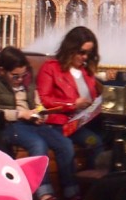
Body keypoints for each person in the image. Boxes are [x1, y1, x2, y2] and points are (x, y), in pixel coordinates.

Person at [0, 46, 78, 200]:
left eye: (23, 75)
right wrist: (20, 114)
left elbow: (38, 102)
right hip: (10, 125)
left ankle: (71, 194)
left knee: (65, 144)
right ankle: (45, 198)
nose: (19, 80)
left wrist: (39, 113)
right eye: (15, 76)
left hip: (32, 123)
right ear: (2, 71)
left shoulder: (28, 83)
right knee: (37, 144)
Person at [36, 26, 104, 158]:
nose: (85, 57)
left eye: (89, 53)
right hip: (62, 126)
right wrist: (72, 104)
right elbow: (44, 100)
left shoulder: (87, 72)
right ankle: (78, 178)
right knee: (94, 142)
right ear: (70, 49)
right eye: (81, 52)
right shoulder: (51, 68)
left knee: (108, 138)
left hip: (85, 124)